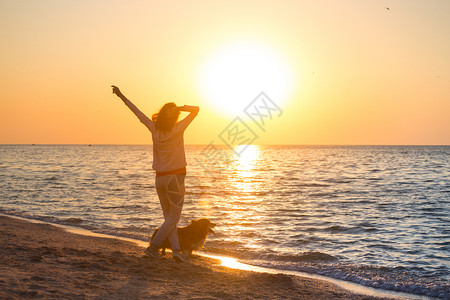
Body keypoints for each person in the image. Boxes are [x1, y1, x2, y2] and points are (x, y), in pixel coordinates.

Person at [111, 85, 199, 262]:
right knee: (173, 217)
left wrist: (121, 96)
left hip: (159, 179)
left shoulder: (153, 128)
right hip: (176, 178)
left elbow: (136, 112)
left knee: (169, 218)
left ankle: (176, 251)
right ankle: (153, 247)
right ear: (174, 115)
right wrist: (181, 107)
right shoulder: (179, 128)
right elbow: (196, 110)